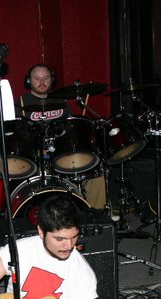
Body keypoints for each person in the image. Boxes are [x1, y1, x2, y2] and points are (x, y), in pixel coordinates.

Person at [19, 64, 108, 209]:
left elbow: (70, 129)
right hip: (36, 155)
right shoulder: (21, 103)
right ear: (29, 81)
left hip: (62, 152)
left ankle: (95, 213)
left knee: (95, 170)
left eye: (46, 78)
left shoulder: (61, 101)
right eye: (37, 78)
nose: (42, 82)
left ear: (52, 80)